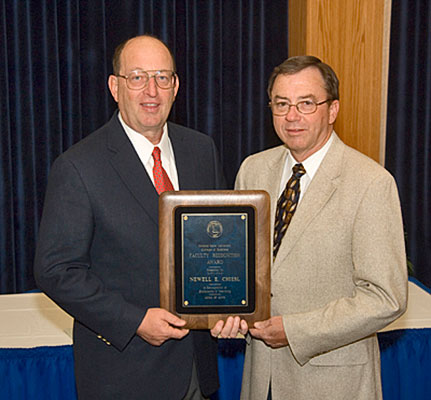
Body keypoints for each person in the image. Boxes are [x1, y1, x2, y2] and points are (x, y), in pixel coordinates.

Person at [34, 35, 226, 400]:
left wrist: (232, 307)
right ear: (115, 87)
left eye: (162, 77)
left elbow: (218, 244)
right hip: (123, 377)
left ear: (176, 86)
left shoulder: (201, 150)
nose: (151, 90)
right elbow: (55, 270)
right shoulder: (78, 166)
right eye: (137, 77)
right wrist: (135, 321)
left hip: (198, 372)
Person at [230, 55, 408, 400]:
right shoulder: (252, 171)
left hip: (332, 383)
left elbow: (386, 297)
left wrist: (295, 330)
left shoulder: (371, 183)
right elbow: (240, 267)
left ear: (332, 110)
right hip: (259, 378)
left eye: (306, 103)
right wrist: (224, 311)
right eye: (281, 104)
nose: (291, 116)